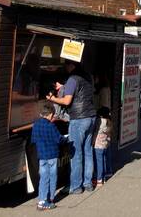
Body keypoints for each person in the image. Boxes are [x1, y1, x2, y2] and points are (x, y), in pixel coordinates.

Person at [47, 61, 96, 193]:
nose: (65, 68)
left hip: (78, 118)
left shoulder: (72, 79)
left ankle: (76, 186)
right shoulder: (87, 76)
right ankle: (88, 183)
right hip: (91, 116)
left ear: (72, 66)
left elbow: (67, 101)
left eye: (67, 65)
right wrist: (64, 86)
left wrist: (52, 99)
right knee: (88, 151)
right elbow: (81, 90)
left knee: (76, 154)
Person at [31, 103, 63, 210]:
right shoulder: (51, 125)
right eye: (52, 115)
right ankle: (49, 199)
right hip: (52, 155)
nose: (52, 117)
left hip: (42, 155)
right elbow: (58, 139)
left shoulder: (35, 125)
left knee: (43, 178)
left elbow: (33, 140)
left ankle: (41, 199)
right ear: (49, 114)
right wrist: (66, 138)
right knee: (52, 177)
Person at [93, 107, 112, 187]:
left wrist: (92, 142)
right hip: (105, 145)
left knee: (99, 162)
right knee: (103, 160)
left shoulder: (99, 121)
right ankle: (103, 177)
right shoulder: (109, 121)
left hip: (98, 145)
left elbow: (95, 132)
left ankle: (99, 179)